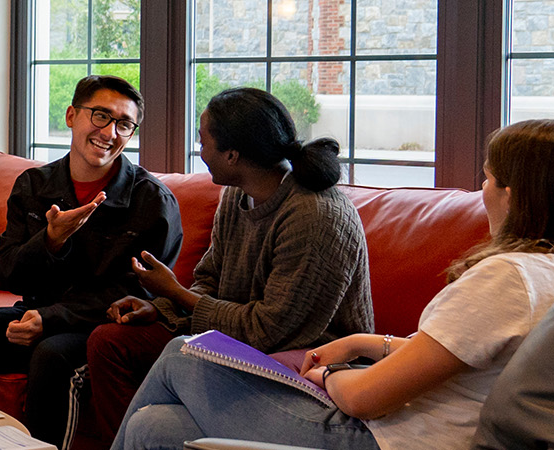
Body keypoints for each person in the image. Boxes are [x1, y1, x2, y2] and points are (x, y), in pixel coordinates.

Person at [110, 119, 554, 449]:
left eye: (487, 178)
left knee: (183, 352)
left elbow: (363, 400)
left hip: (378, 438)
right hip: (400, 424)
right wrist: (367, 342)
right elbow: (467, 354)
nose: (481, 192)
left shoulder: (509, 277)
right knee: (155, 427)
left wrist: (331, 371)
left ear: (516, 195)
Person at [69, 87, 374, 450]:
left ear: (232, 155)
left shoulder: (315, 215)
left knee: (180, 354)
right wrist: (162, 308)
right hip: (236, 345)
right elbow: (210, 278)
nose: (200, 152)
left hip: (305, 368)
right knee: (112, 346)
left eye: (203, 141)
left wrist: (175, 294)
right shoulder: (236, 193)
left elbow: (269, 331)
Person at [0, 75, 181, 445]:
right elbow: (8, 270)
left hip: (97, 330)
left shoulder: (152, 201)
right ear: (72, 115)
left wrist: (51, 319)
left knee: (51, 356)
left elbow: (137, 293)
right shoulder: (34, 185)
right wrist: (51, 241)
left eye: (124, 124)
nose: (110, 132)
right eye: (101, 116)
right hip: (37, 312)